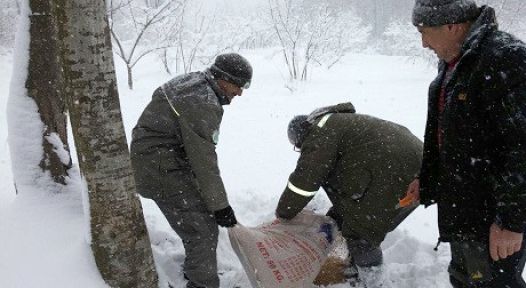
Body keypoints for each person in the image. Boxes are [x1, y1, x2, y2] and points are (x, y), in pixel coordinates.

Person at [405, 0, 526, 287]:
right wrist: (427, 180)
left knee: (493, 283)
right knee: (465, 278)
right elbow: (454, 136)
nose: (423, 43)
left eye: (424, 32)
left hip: (493, 217)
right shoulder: (457, 62)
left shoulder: (505, 59)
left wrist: (510, 222)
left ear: (452, 26)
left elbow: (522, 147)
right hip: (466, 212)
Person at [130, 53, 252, 288]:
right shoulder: (203, 102)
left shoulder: (193, 82)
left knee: (199, 217)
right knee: (203, 228)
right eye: (239, 85)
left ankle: (196, 271)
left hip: (157, 160)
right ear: (224, 78)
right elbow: (203, 159)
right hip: (159, 168)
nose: (240, 92)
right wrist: (220, 206)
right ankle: (201, 283)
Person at [275, 102, 423, 285]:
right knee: (349, 219)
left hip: (395, 173)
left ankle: (371, 281)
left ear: (301, 138)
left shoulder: (319, 133)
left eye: (299, 147)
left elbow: (305, 182)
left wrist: (283, 213)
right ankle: (359, 267)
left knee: (361, 234)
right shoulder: (336, 122)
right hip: (418, 168)